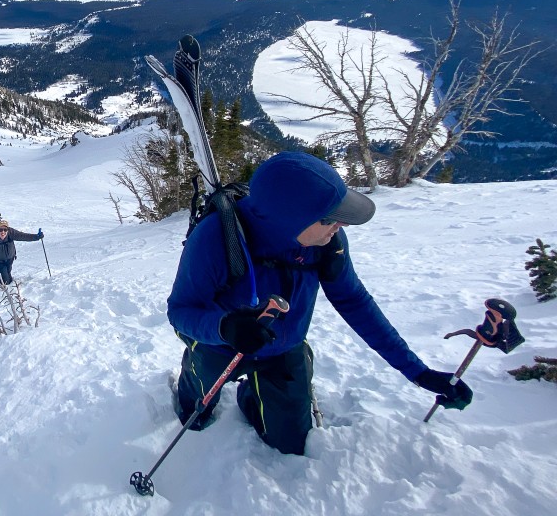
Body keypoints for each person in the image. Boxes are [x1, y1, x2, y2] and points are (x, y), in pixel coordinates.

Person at [167, 152, 472, 455]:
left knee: (289, 444)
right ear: (289, 219)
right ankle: (194, 379)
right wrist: (225, 327)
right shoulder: (216, 239)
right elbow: (180, 310)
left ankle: (257, 393)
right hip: (220, 344)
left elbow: (355, 302)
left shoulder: (326, 242)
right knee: (195, 413)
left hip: (283, 346)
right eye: (330, 218)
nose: (342, 225)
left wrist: (418, 372)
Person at [0, 218, 43, 285]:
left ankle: (5, 281)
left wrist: (36, 237)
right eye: (1, 230)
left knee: (8, 275)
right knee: (6, 280)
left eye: (5, 229)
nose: (3, 232)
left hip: (9, 259)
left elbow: (23, 236)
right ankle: (0, 285)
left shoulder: (11, 233)